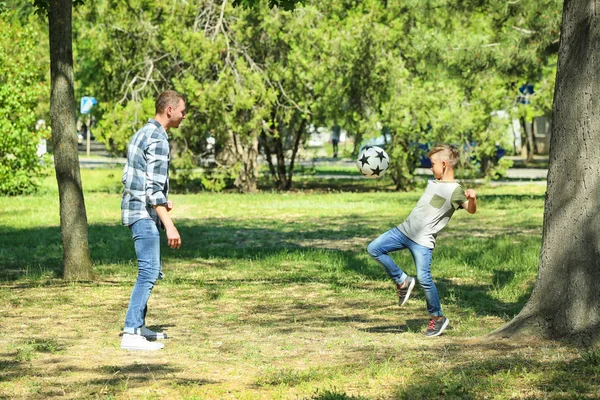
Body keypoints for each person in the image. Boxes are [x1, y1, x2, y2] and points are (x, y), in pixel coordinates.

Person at [367, 145, 477, 337]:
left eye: (433, 164)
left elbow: (471, 209)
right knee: (374, 248)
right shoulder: (434, 182)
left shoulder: (455, 190)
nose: (430, 168)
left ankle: (437, 318)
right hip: (403, 231)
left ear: (444, 164)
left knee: (425, 278)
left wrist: (473, 198)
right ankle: (402, 281)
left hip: (422, 242)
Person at [120, 90, 186, 351]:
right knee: (148, 271)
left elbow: (134, 178)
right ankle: (131, 332)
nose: (183, 117)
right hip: (143, 214)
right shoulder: (158, 139)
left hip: (135, 209)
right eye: (182, 111)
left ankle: (139, 326)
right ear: (169, 110)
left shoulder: (142, 133)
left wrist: (161, 201)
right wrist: (169, 223)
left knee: (149, 269)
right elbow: (152, 190)